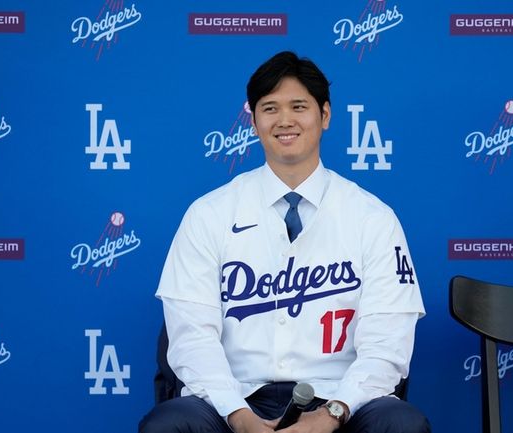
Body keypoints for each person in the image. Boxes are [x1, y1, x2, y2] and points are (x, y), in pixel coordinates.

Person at [139, 51, 430, 433]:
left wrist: (333, 413)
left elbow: (386, 345)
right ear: (254, 121)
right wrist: (238, 416)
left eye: (299, 106)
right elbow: (192, 339)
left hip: (339, 399)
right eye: (270, 108)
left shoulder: (372, 217)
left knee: (401, 424)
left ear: (325, 115)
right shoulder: (209, 213)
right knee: (170, 424)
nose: (285, 120)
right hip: (234, 398)